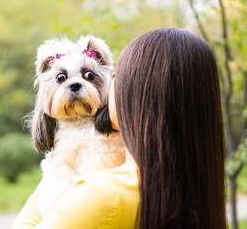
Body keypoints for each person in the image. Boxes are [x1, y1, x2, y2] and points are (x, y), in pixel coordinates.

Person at [12, 28, 226, 228]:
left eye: (119, 79)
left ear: (141, 98)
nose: (112, 86)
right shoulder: (192, 190)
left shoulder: (103, 196)